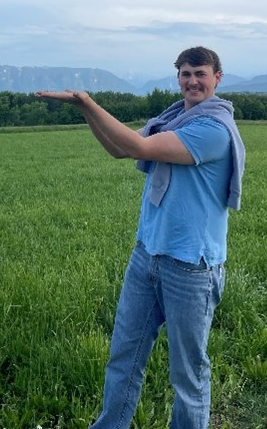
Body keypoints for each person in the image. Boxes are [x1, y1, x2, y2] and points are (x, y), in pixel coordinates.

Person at [36, 45, 245, 429]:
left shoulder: (212, 130)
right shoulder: (172, 119)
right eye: (185, 73)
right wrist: (87, 114)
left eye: (200, 73)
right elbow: (119, 149)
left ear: (218, 77)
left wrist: (87, 101)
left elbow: (139, 147)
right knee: (124, 357)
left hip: (191, 267)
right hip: (147, 255)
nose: (192, 80)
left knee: (188, 375)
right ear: (177, 77)